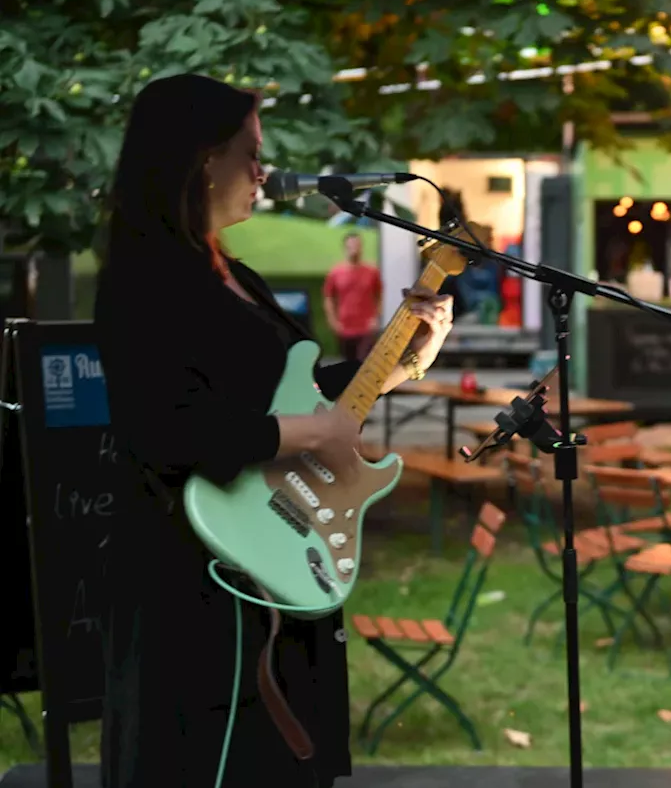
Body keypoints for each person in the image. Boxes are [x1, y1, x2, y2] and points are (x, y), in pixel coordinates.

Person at [93, 73, 453, 788]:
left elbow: (305, 393)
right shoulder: (144, 277)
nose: (264, 172)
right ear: (202, 159)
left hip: (275, 556)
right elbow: (163, 428)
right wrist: (301, 435)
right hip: (197, 574)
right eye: (250, 154)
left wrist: (398, 358)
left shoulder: (236, 274)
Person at [324, 232, 383, 361]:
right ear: (345, 247)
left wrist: (376, 317)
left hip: (366, 327)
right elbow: (328, 298)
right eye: (351, 246)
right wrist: (333, 321)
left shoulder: (371, 271)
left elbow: (379, 295)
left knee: (363, 361)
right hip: (344, 326)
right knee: (348, 362)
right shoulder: (336, 272)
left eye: (357, 245)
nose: (354, 249)